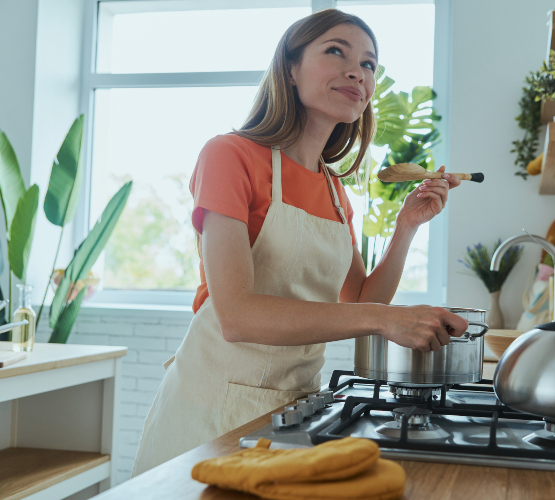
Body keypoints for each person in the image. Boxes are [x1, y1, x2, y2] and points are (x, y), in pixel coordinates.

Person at [132, 8, 467, 476]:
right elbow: (237, 315)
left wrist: (407, 226)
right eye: (336, 51)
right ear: (290, 69)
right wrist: (386, 319)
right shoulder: (229, 156)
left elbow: (361, 298)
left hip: (292, 411)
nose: (358, 71)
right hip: (210, 410)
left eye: (369, 64)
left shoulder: (334, 192)